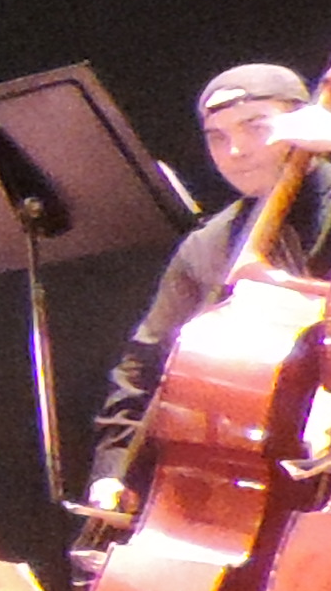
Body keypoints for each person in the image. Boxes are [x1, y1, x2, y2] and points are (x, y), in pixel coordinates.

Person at [81, 60, 311, 534]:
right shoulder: (208, 246)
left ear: (304, 121)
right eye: (217, 137)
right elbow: (145, 366)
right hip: (250, 485)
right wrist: (114, 470)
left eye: (256, 127)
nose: (236, 151)